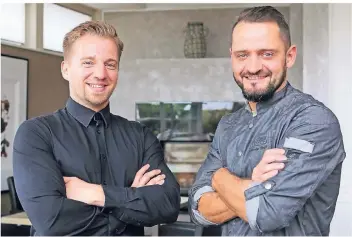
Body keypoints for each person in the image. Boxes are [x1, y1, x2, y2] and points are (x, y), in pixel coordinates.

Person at [188, 6, 346, 236]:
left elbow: (267, 213)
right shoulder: (228, 125)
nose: (253, 67)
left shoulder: (313, 121)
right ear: (232, 56)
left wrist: (219, 177)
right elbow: (197, 209)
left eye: (267, 54)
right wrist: (252, 182)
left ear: (289, 56)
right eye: (243, 55)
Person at [13, 21, 180, 236]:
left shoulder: (140, 136)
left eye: (110, 64)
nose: (101, 74)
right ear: (65, 69)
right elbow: (51, 220)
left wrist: (95, 194)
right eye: (88, 63)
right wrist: (131, 199)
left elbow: (168, 204)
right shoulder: (36, 134)